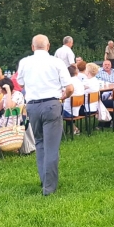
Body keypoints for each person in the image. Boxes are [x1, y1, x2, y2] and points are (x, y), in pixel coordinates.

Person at [17, 34, 73, 196]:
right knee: (51, 147)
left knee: (40, 143)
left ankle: (44, 179)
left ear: (32, 47)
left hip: (32, 106)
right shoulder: (56, 62)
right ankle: (49, 187)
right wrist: (64, 96)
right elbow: (70, 88)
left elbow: (20, 83)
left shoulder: (24, 62)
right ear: (48, 46)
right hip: (51, 104)